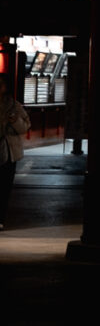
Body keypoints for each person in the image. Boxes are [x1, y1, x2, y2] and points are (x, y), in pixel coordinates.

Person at [0, 74, 30, 230]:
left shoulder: (15, 106)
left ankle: (1, 218)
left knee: (4, 186)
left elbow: (25, 127)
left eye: (1, 84)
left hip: (10, 152)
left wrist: (14, 121)